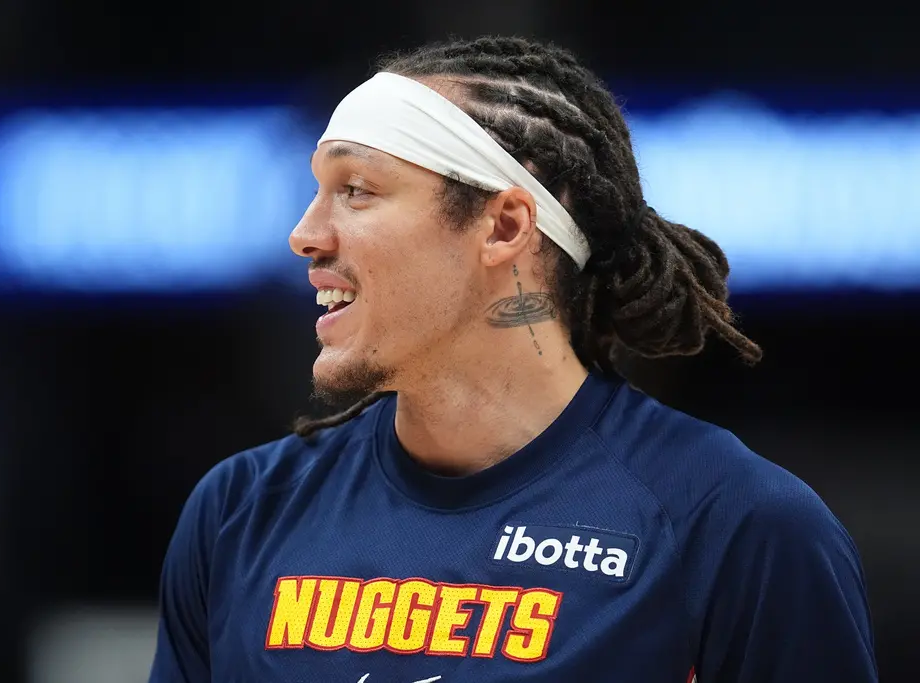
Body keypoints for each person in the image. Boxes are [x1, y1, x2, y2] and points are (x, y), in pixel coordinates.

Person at [148, 36, 877, 683]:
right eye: (318, 191)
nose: (306, 234)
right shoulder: (239, 513)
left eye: (357, 191)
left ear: (503, 226)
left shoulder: (737, 525)